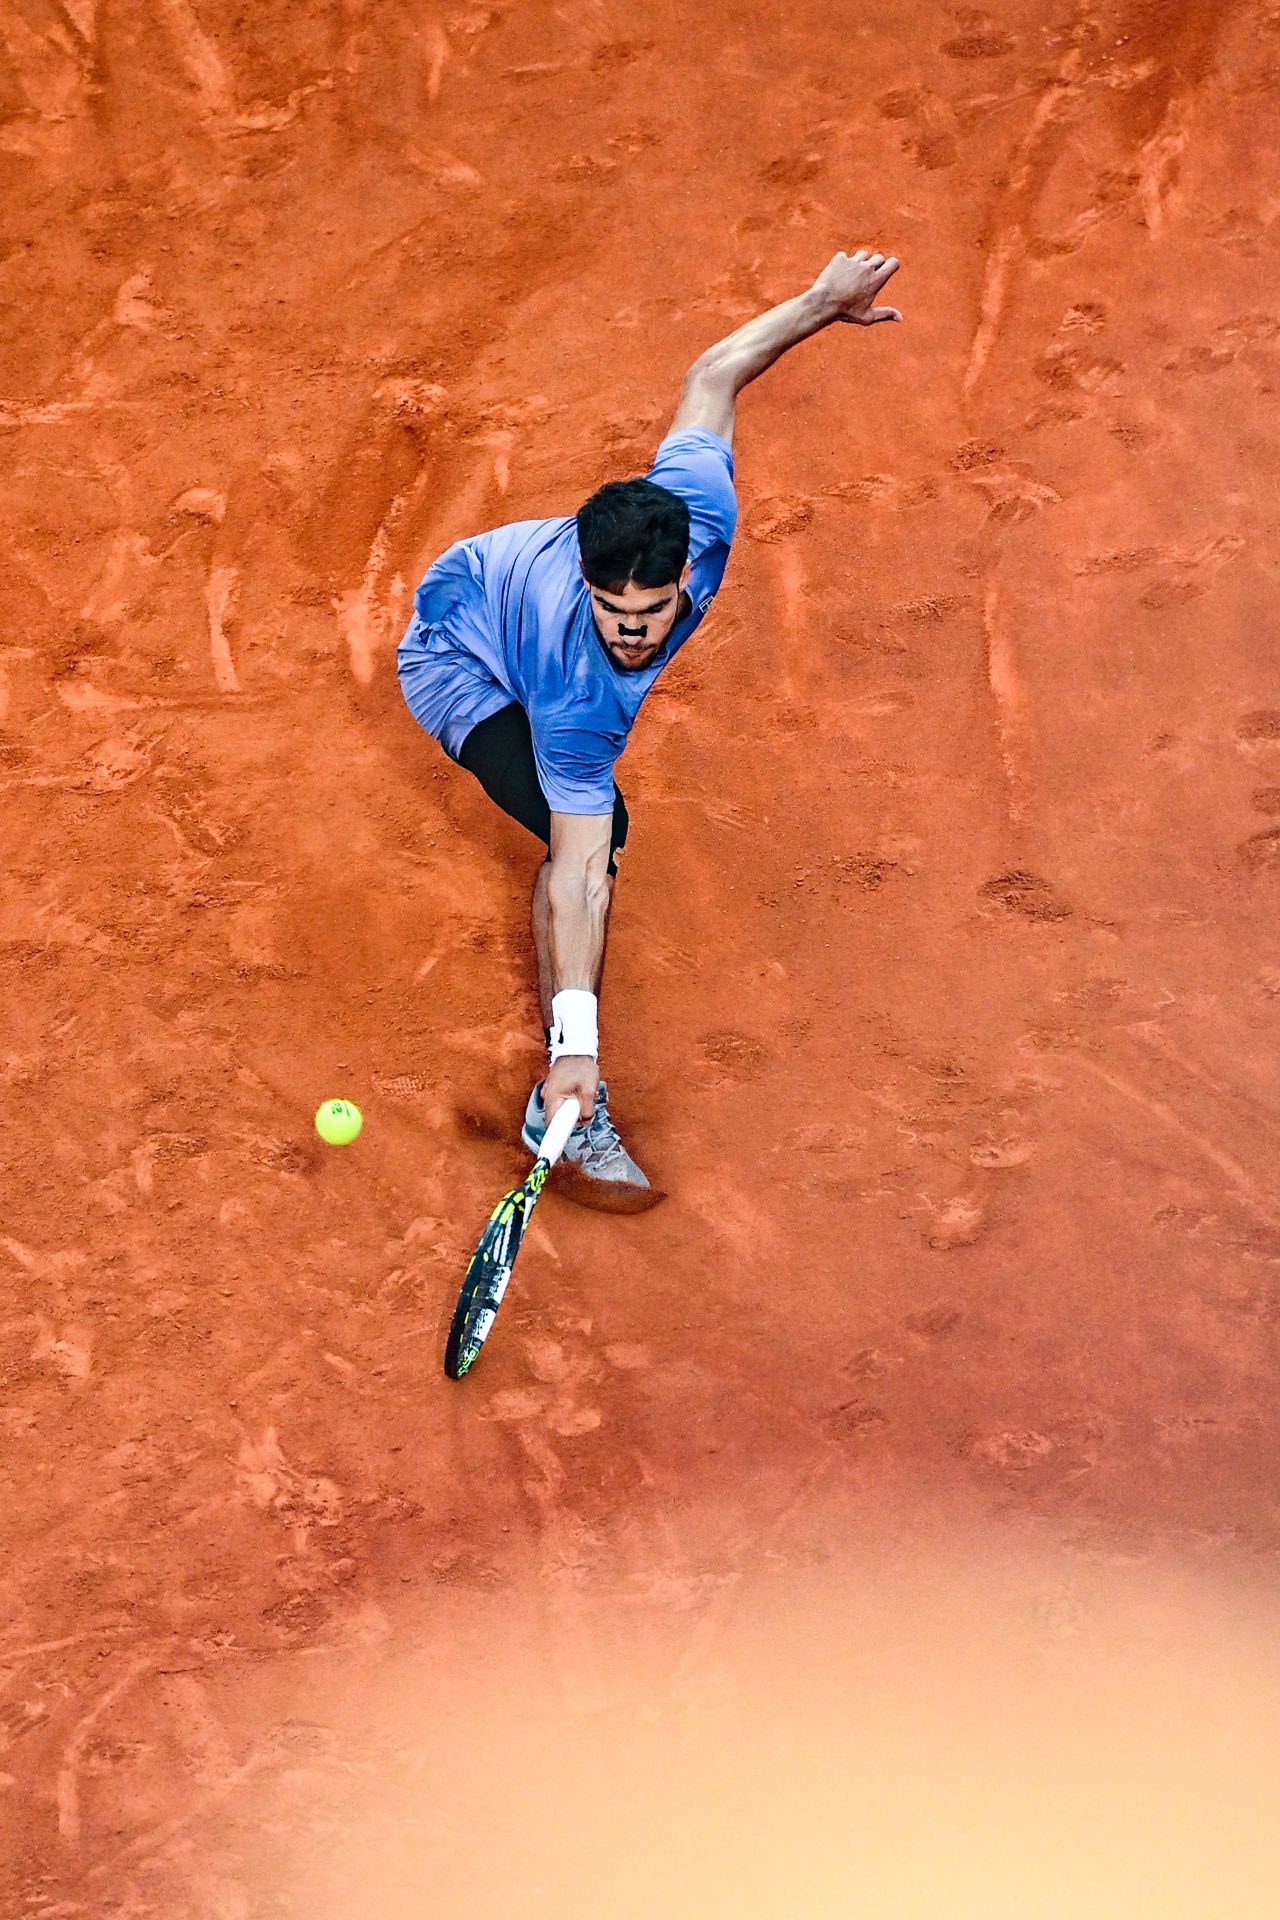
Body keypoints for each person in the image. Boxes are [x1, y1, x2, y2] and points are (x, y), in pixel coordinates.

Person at [397, 248, 903, 1203]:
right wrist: (579, 1047)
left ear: (685, 576)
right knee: (598, 834)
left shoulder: (699, 512)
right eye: (611, 612)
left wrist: (821, 302)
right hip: (458, 662)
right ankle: (560, 1103)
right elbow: (580, 870)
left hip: (491, 588)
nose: (632, 635)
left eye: (650, 613)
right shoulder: (577, 690)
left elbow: (713, 376)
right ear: (589, 589)